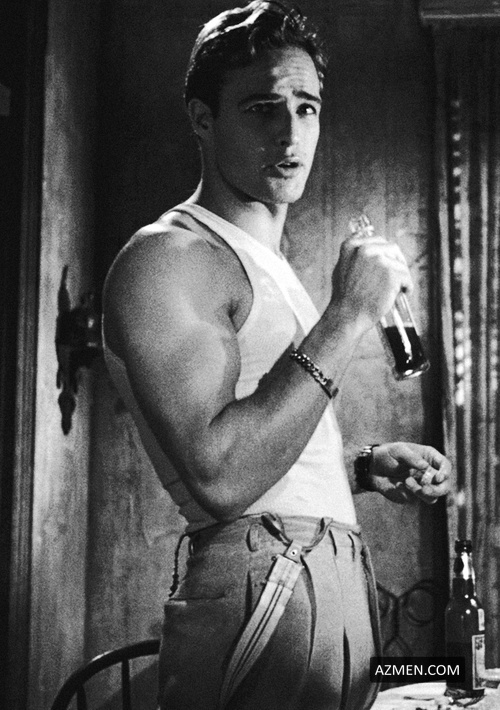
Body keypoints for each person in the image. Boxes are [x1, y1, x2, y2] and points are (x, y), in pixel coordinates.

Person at [102, 2, 450, 709]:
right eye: (262, 108)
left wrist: (364, 466)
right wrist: (347, 315)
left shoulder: (266, 266)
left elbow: (267, 458)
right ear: (203, 118)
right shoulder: (170, 256)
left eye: (306, 108)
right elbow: (220, 476)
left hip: (326, 578)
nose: (290, 134)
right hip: (266, 586)